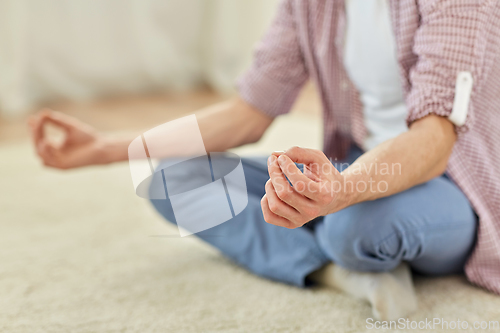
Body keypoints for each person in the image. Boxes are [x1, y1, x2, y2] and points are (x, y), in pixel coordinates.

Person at [29, 0, 500, 320]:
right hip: (353, 169)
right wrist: (108, 148)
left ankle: (342, 241)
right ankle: (335, 270)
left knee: (352, 228)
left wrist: (339, 192)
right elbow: (249, 112)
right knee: (175, 180)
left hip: (452, 182)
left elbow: (436, 139)